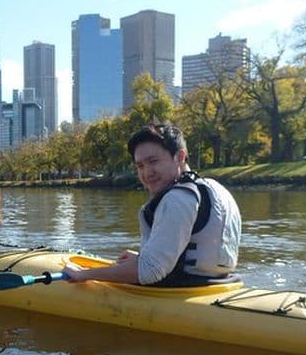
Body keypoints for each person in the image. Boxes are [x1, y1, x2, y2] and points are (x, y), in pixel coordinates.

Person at [63, 123, 241, 287]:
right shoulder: (216, 188)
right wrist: (144, 258)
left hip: (184, 293)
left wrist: (84, 274)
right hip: (219, 286)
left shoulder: (176, 199)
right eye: (140, 166)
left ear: (180, 156)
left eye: (153, 161)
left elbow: (150, 273)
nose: (147, 173)